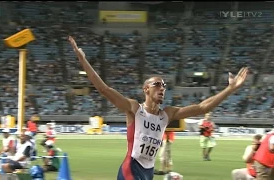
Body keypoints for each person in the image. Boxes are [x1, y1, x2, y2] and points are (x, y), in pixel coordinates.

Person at [68, 36, 249, 180]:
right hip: (131, 169)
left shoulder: (167, 114)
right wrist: (82, 60)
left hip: (149, 171)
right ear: (146, 89)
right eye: (157, 84)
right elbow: (104, 89)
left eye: (163, 85)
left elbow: (202, 107)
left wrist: (230, 88)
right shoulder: (134, 108)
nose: (162, 88)